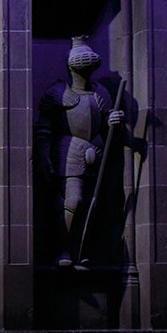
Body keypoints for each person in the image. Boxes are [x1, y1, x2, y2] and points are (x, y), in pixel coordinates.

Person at [34, 37, 125, 268]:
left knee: (92, 205)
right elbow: (44, 129)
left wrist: (113, 120)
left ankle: (80, 250)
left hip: (95, 151)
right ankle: (63, 249)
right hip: (68, 151)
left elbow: (104, 125)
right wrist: (44, 156)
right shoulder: (57, 92)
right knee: (73, 201)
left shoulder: (100, 93)